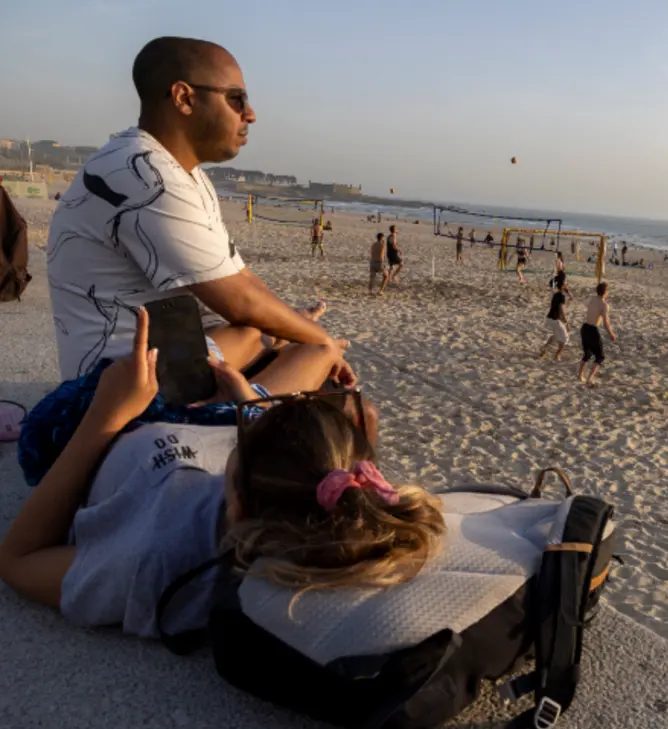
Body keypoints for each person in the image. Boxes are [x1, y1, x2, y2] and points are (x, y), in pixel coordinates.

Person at [24, 36, 354, 486]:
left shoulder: (181, 174)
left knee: (267, 338)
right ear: (183, 97)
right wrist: (322, 342)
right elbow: (240, 299)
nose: (250, 114)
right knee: (338, 390)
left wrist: (290, 326)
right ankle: (257, 414)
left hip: (170, 357)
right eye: (237, 99)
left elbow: (242, 284)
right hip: (124, 389)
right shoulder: (144, 176)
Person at [0, 310, 435, 640]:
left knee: (228, 341)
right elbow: (309, 470)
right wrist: (248, 406)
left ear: (239, 502)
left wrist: (105, 414)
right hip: (206, 421)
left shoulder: (149, 561)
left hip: (92, 435)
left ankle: (263, 346)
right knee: (306, 364)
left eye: (245, 440)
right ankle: (266, 353)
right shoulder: (302, 506)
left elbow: (17, 562)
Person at [578, 282, 616, 387]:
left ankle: (580, 375)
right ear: (605, 292)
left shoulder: (592, 299)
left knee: (587, 354)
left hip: (584, 328)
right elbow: (606, 323)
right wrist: (611, 334)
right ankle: (589, 379)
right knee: (600, 357)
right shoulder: (604, 305)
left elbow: (586, 304)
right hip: (592, 330)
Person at [539, 280, 570, 360]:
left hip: (550, 318)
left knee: (556, 335)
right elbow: (561, 311)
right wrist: (567, 324)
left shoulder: (556, 294)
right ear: (562, 286)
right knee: (565, 338)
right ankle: (557, 355)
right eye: (565, 284)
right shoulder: (562, 296)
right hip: (555, 320)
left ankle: (544, 349)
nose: (567, 285)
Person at [382, 224, 403, 290]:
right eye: (396, 229)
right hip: (393, 253)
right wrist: (399, 250)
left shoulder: (389, 236)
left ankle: (387, 280)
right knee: (401, 264)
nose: (397, 229)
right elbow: (394, 245)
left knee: (391, 267)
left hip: (389, 253)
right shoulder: (394, 236)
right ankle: (394, 276)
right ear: (394, 230)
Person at [367, 232, 386, 297]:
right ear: (382, 238)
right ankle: (381, 290)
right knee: (386, 275)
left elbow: (372, 253)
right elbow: (382, 255)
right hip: (379, 262)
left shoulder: (373, 244)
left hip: (372, 262)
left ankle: (370, 291)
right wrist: (383, 263)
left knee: (372, 277)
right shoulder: (382, 245)